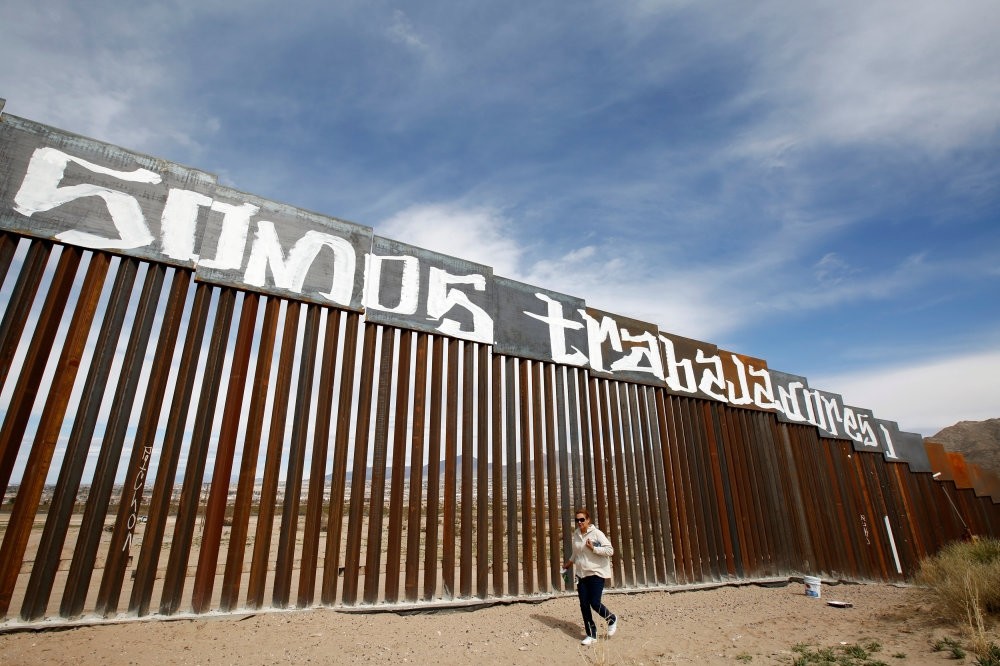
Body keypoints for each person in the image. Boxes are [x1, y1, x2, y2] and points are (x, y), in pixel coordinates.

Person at [563, 508, 618, 646]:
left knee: (594, 602)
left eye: (582, 519)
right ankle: (591, 634)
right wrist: (568, 564)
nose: (580, 522)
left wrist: (594, 548)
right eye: (577, 520)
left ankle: (611, 619)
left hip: (596, 573)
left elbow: (610, 550)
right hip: (581, 574)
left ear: (588, 520)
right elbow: (577, 553)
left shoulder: (597, 533)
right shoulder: (576, 534)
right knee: (583, 605)